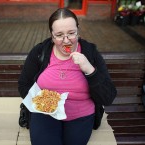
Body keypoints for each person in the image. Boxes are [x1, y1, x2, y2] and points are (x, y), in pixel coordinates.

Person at [18, 8, 117, 145]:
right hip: (45, 113)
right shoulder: (39, 52)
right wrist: (42, 102)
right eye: (59, 35)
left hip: (81, 114)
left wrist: (89, 69)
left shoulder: (90, 53)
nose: (66, 41)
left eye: (71, 33)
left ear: (78, 30)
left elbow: (108, 97)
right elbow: (24, 84)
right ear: (52, 36)